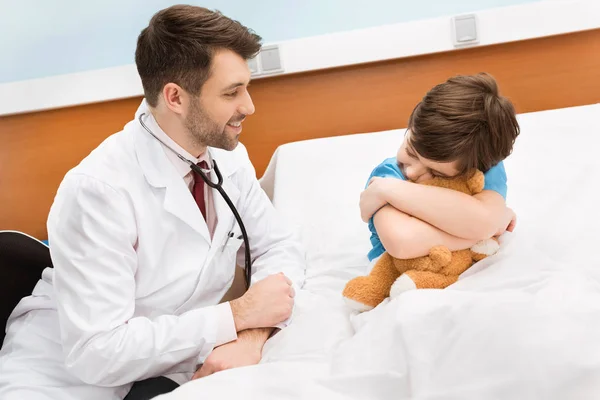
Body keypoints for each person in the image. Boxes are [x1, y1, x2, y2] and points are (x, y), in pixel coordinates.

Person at [0, 5, 305, 400]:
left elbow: (280, 248)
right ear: (175, 97)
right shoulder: (97, 190)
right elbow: (96, 353)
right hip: (64, 379)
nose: (249, 106)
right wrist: (237, 315)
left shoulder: (227, 158)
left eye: (247, 87)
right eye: (232, 92)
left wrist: (250, 336)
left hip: (168, 366)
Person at [359, 73, 519, 283]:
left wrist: (389, 191)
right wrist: (485, 228)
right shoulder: (388, 172)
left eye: (436, 174)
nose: (412, 173)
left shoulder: (386, 186)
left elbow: (484, 222)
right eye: (411, 151)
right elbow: (403, 242)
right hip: (396, 277)